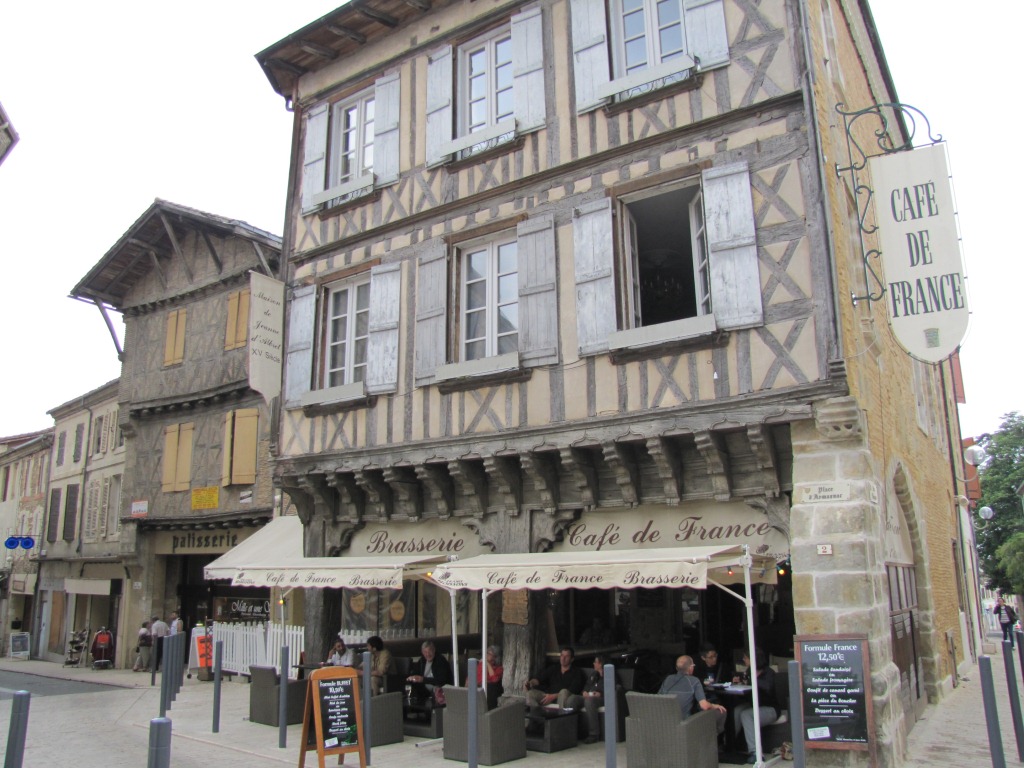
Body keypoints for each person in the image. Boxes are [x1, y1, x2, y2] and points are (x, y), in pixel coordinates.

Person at [658, 655, 727, 734]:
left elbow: (658, 698)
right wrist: (714, 705)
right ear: (690, 668)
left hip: (665, 722)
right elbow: (704, 706)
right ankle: (712, 738)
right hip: (685, 724)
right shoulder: (694, 681)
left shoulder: (668, 679)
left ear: (676, 668)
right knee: (721, 712)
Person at [732, 648, 779, 763]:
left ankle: (756, 753)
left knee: (746, 714)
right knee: (737, 710)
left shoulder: (768, 672)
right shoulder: (748, 671)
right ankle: (730, 744)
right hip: (753, 705)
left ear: (754, 658)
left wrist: (752, 680)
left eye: (746, 658)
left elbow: (767, 687)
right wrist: (739, 683)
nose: (744, 660)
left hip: (770, 708)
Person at [525, 646, 587, 713]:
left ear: (572, 659)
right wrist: (530, 683)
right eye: (562, 655)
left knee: (563, 692)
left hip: (563, 698)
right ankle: (536, 716)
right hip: (548, 696)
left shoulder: (577, 672)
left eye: (566, 656)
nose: (563, 658)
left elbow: (573, 690)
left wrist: (554, 696)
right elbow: (539, 679)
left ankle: (561, 718)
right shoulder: (554, 668)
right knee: (530, 694)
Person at [581, 654, 624, 743]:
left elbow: (612, 688)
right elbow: (587, 686)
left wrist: (600, 694)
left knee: (589, 702)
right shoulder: (594, 674)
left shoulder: (611, 674)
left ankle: (594, 734)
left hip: (603, 698)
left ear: (601, 664)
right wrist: (584, 692)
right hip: (589, 696)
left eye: (595, 662)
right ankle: (573, 732)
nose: (593, 664)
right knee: (572, 699)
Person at [406, 640, 454, 704]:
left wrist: (423, 679)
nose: (428, 654)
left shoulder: (440, 660)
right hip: (425, 691)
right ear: (422, 652)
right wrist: (412, 677)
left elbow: (442, 680)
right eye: (425, 652)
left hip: (440, 691)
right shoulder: (422, 660)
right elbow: (415, 672)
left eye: (430, 651)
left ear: (434, 650)